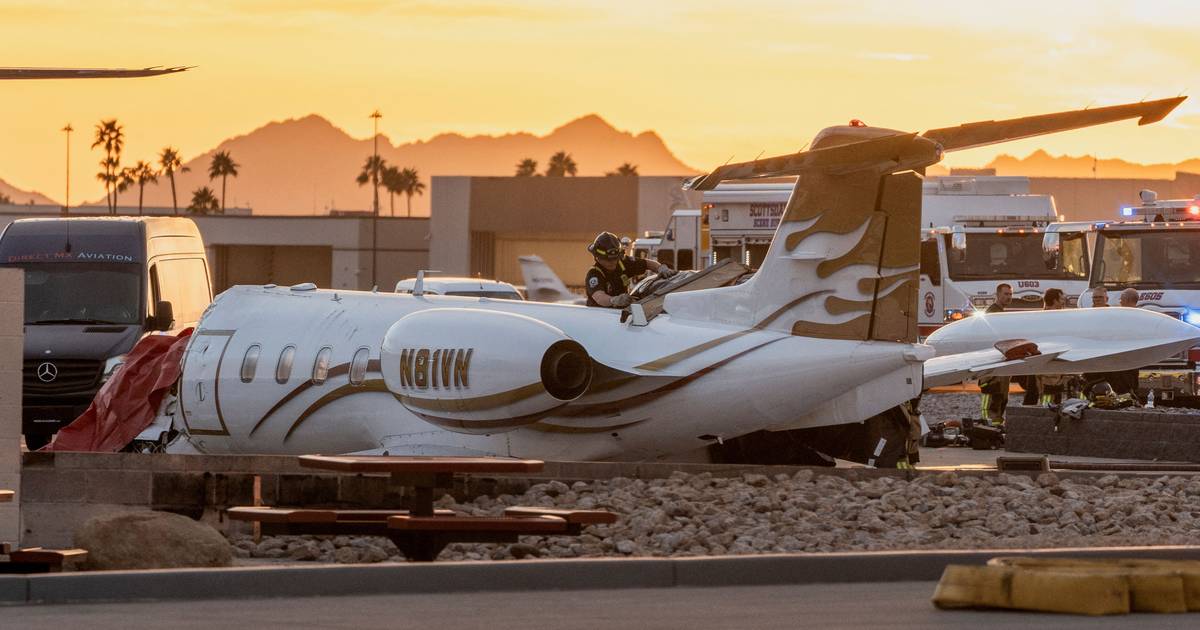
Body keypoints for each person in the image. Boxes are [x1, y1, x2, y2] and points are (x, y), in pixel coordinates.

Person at [585, 231, 674, 308]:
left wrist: (661, 268)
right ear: (597, 257)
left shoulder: (623, 263)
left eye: (615, 258)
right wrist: (614, 300)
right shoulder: (594, 274)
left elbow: (647, 263)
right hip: (600, 315)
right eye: (608, 259)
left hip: (620, 314)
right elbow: (600, 297)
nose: (612, 262)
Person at [979, 283, 1013, 425]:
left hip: (1000, 359)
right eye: (1005, 294)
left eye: (1010, 294)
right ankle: (989, 423)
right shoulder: (994, 313)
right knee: (993, 391)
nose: (1008, 297)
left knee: (1001, 394)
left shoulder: (1000, 312)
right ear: (997, 295)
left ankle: (996, 422)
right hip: (993, 360)